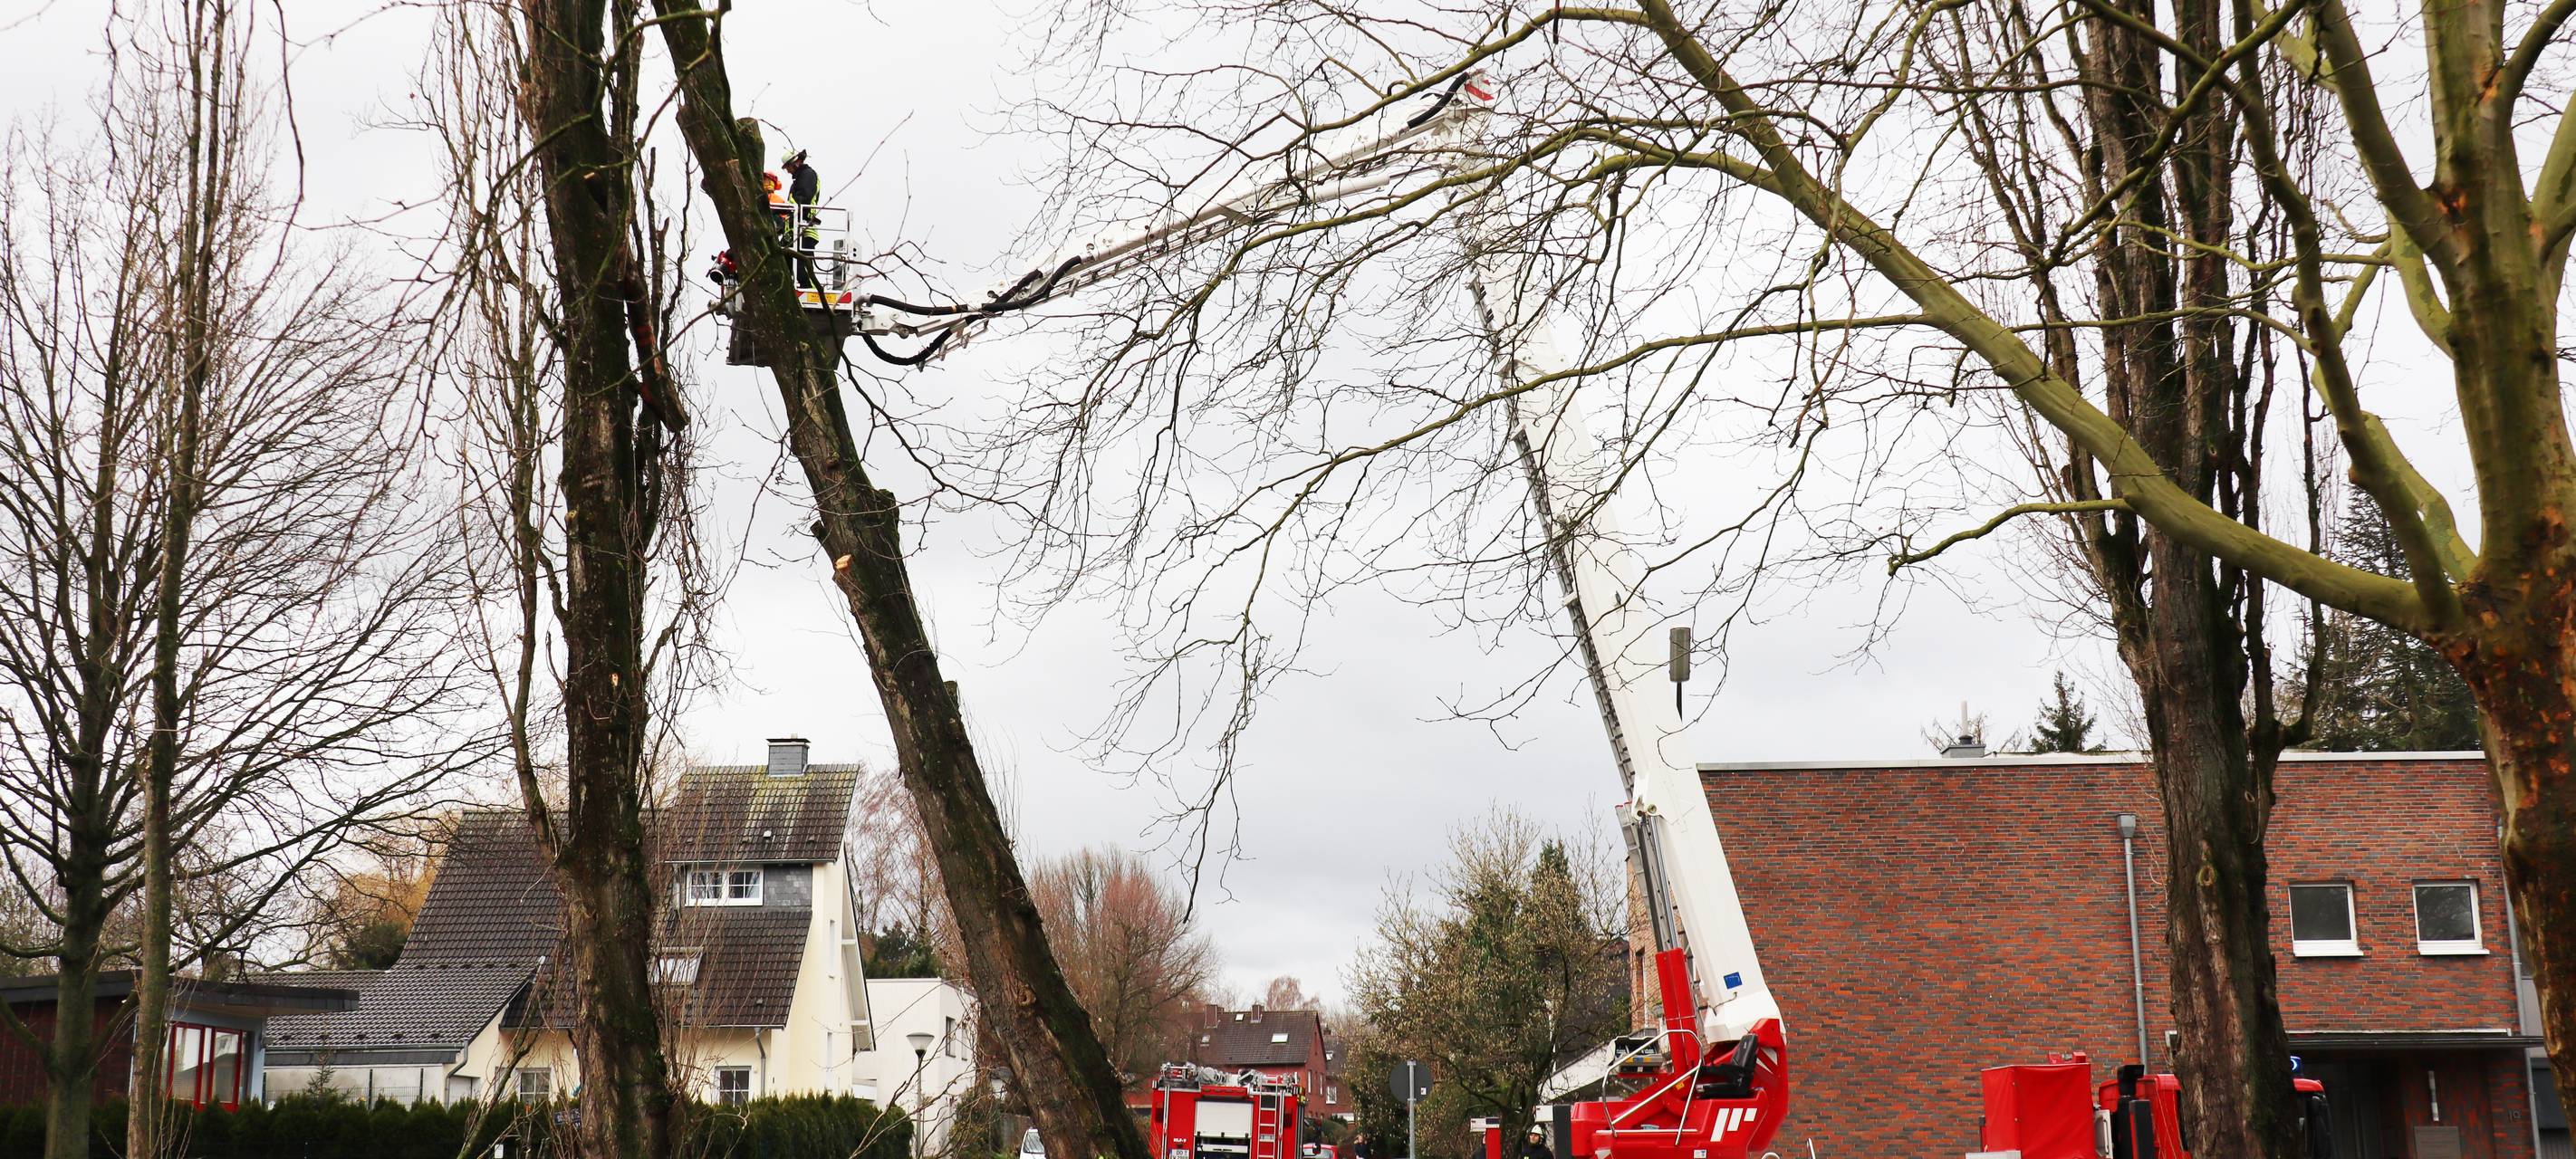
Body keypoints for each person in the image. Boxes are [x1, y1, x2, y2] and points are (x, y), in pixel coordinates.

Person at [783, 148, 821, 288]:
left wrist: (786, 206)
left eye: (788, 167)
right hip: (794, 230)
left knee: (801, 266)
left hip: (804, 229)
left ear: (796, 163)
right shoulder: (799, 179)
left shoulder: (808, 175)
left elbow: (802, 200)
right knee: (784, 260)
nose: (787, 171)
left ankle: (811, 290)